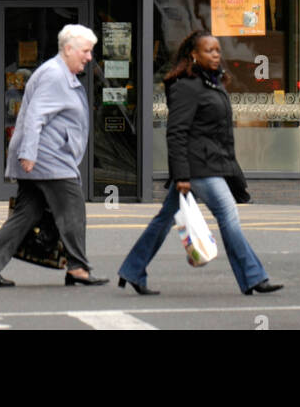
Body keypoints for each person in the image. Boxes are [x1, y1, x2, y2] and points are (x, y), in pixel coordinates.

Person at [117, 30, 283, 296]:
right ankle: (254, 277)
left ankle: (132, 270)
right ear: (194, 55)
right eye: (209, 50)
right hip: (198, 167)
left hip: (207, 162)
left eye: (218, 50)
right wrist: (182, 174)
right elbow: (177, 132)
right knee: (228, 215)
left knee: (164, 219)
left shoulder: (212, 83)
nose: (216, 55)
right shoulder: (186, 86)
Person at [0, 24, 108, 288]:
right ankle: (78, 268)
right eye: (86, 51)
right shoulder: (55, 75)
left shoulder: (59, 73)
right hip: (49, 158)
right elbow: (35, 115)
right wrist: (29, 153)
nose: (89, 57)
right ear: (68, 49)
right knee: (73, 209)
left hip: (44, 156)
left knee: (28, 211)